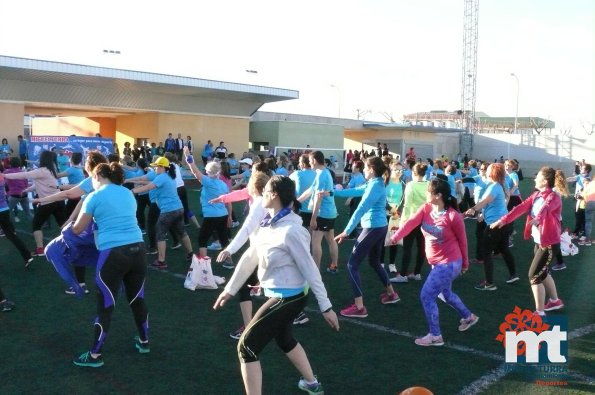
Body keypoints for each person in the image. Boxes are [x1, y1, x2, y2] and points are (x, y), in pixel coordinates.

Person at [213, 175, 339, 395]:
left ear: (274, 195)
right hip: (278, 293)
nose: (261, 195)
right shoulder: (268, 225)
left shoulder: (291, 231)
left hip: (290, 297)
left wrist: (326, 306)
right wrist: (229, 289)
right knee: (284, 338)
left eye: (266, 192)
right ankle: (312, 384)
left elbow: (310, 270)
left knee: (246, 347)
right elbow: (250, 256)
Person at [70, 162, 149, 367]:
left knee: (106, 305)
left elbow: (78, 229)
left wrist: (65, 232)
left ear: (97, 177)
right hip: (138, 250)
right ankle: (144, 341)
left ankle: (94, 355)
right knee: (137, 299)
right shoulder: (127, 193)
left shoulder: (94, 196)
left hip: (114, 254)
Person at [390, 178, 479, 346]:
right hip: (437, 263)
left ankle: (435, 336)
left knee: (426, 295)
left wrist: (465, 264)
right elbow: (410, 223)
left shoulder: (453, 216)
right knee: (445, 294)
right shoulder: (426, 209)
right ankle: (469, 317)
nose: (426, 194)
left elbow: (463, 241)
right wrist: (396, 236)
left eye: (428, 191)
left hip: (449, 263)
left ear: (438, 195)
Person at [490, 166, 565, 316]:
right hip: (540, 242)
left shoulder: (553, 197)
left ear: (544, 181)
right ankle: (555, 301)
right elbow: (521, 208)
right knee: (542, 272)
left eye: (538, 176)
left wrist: (538, 219)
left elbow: (547, 208)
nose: (535, 177)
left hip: (549, 243)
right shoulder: (536, 195)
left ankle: (540, 312)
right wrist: (503, 220)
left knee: (534, 275)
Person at [333, 156, 400, 318]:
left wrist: (347, 231)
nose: (363, 170)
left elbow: (360, 209)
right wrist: (332, 192)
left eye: (365, 168)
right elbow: (356, 191)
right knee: (375, 262)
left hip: (373, 228)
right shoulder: (374, 183)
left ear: (371, 169)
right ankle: (391, 294)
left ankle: (359, 307)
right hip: (379, 227)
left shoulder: (375, 185)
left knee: (352, 265)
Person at [32, 151, 108, 294]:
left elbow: (70, 193)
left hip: (95, 225)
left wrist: (42, 199)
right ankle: (94, 284)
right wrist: (70, 219)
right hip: (108, 226)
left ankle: (89, 285)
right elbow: (82, 199)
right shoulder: (110, 179)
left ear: (90, 166)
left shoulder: (93, 179)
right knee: (98, 252)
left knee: (79, 248)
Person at [129, 156, 194, 269]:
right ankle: (190, 255)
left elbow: (150, 186)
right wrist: (134, 182)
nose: (155, 169)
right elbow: (150, 183)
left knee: (160, 233)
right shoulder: (169, 176)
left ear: (162, 167)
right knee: (182, 232)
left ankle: (161, 261)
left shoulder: (161, 177)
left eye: (156, 167)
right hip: (178, 208)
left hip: (168, 210)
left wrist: (133, 191)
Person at [464, 163, 518, 290]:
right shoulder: (498, 185)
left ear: (492, 173)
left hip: (495, 224)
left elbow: (484, 201)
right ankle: (513, 274)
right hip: (503, 223)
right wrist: (482, 213)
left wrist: (472, 209)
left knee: (486, 252)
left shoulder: (494, 186)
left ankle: (489, 283)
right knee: (504, 248)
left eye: (487, 169)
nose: (485, 170)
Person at [5, 150, 66, 257]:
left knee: (36, 225)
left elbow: (24, 175)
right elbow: (39, 185)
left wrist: (4, 175)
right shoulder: (52, 170)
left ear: (43, 159)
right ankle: (71, 245)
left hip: (48, 202)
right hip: (59, 200)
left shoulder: (42, 171)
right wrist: (26, 190)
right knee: (63, 224)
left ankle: (40, 249)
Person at [184, 147, 233, 266]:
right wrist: (230, 216)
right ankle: (229, 261)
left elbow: (195, 172)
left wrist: (188, 157)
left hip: (211, 216)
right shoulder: (223, 184)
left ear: (209, 172)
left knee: (202, 239)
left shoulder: (208, 182)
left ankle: (203, 265)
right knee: (224, 239)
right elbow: (228, 202)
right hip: (223, 214)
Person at [297, 151, 339, 272]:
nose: (309, 163)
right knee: (331, 239)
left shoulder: (321, 175)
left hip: (323, 213)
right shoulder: (322, 172)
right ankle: (334, 266)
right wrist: (297, 202)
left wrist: (313, 218)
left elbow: (318, 197)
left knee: (315, 242)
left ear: (314, 160)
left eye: (310, 161)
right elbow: (311, 190)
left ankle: (315, 271)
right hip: (330, 212)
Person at [391, 163, 428, 283]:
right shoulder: (428, 185)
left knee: (407, 248)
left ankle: (402, 275)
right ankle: (417, 273)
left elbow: (407, 206)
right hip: (424, 221)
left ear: (413, 173)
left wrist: (402, 223)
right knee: (421, 247)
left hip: (412, 220)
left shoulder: (411, 185)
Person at [0, 163, 33, 268]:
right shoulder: (2, 176)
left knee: (10, 234)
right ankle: (27, 255)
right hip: (4, 209)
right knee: (11, 235)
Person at [5, 156, 33, 223]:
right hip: (24, 195)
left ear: (10, 163)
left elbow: (4, 183)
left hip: (14, 195)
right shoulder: (22, 172)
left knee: (5, 214)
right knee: (28, 213)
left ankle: (4, 229)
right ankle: (37, 226)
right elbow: (26, 184)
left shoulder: (7, 172)